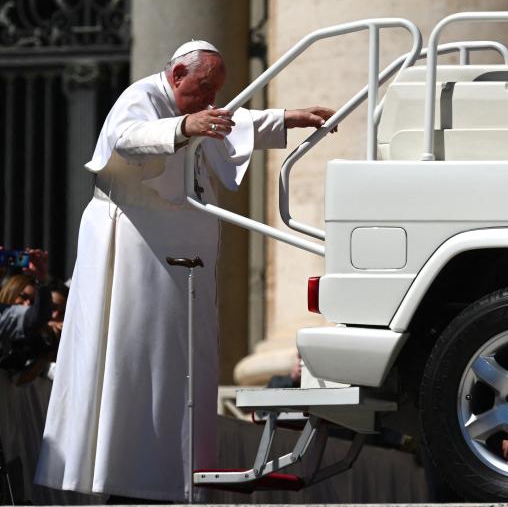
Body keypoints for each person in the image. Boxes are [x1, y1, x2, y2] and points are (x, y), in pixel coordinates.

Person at [35, 40, 336, 503]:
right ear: (177, 75)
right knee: (131, 364)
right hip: (134, 261)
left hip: (178, 271)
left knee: (180, 369)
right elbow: (125, 138)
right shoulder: (142, 97)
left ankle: (169, 478)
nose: (210, 102)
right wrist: (181, 126)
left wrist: (287, 118)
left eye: (215, 91)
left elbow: (231, 121)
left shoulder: (193, 105)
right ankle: (125, 478)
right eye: (202, 90)